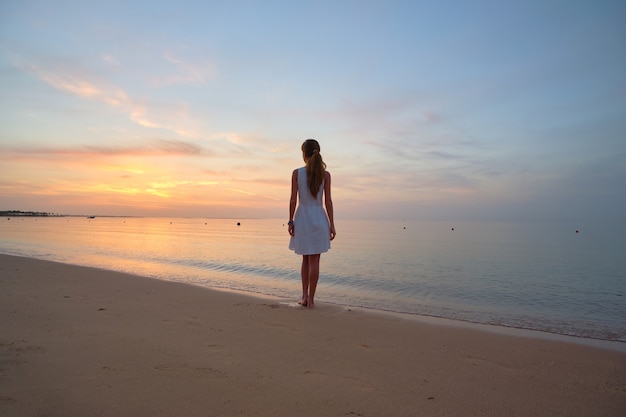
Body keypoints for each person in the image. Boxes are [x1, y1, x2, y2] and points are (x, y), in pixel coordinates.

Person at [288, 139, 336, 308]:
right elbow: (328, 202)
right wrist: (332, 224)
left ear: (304, 154)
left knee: (305, 259)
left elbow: (293, 199)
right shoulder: (326, 175)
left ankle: (304, 296)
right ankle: (311, 300)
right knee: (315, 260)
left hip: (303, 218)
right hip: (319, 217)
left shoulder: (296, 173)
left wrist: (290, 220)